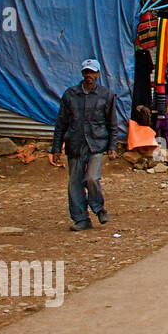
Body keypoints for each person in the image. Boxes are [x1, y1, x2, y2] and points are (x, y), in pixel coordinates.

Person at [51, 59, 118, 232]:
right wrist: (56, 148)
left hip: (97, 144)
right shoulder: (70, 95)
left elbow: (112, 124)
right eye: (86, 72)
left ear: (98, 74)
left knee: (91, 178)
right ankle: (81, 218)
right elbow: (61, 123)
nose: (89, 76)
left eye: (92, 72)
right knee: (74, 183)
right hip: (75, 143)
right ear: (82, 74)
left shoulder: (106, 95)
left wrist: (113, 146)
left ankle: (98, 208)